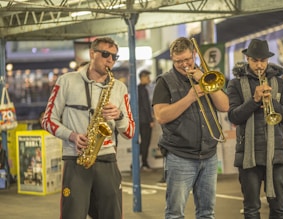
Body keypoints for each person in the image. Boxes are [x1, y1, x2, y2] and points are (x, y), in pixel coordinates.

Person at [42, 37, 135, 219]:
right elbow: (47, 120)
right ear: (92, 54)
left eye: (114, 57)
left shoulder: (119, 87)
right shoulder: (66, 81)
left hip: (107, 159)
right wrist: (72, 136)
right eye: (106, 54)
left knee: (112, 214)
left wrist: (119, 116)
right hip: (77, 159)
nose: (110, 60)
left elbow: (130, 132)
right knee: (73, 215)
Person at [152, 37, 229, 218]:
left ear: (194, 54)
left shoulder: (205, 75)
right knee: (175, 213)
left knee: (207, 213)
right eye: (178, 61)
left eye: (187, 59)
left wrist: (203, 79)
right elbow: (161, 116)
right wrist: (189, 98)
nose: (184, 64)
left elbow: (225, 106)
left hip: (209, 155)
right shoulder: (165, 81)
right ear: (172, 58)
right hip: (180, 156)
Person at [227, 38, 283, 219]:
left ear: (268, 60)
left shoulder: (279, 83)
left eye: (263, 61)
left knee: (279, 207)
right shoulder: (235, 84)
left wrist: (273, 103)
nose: (259, 65)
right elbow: (233, 116)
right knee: (251, 208)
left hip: (276, 154)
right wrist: (254, 100)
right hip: (248, 153)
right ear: (248, 59)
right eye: (255, 60)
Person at [138, 70, 154, 171]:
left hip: (140, 119)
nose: (149, 79)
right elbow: (145, 106)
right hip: (145, 121)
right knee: (145, 142)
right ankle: (144, 163)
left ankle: (140, 162)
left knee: (143, 142)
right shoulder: (143, 90)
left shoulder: (139, 89)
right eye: (147, 77)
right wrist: (150, 119)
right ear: (142, 77)